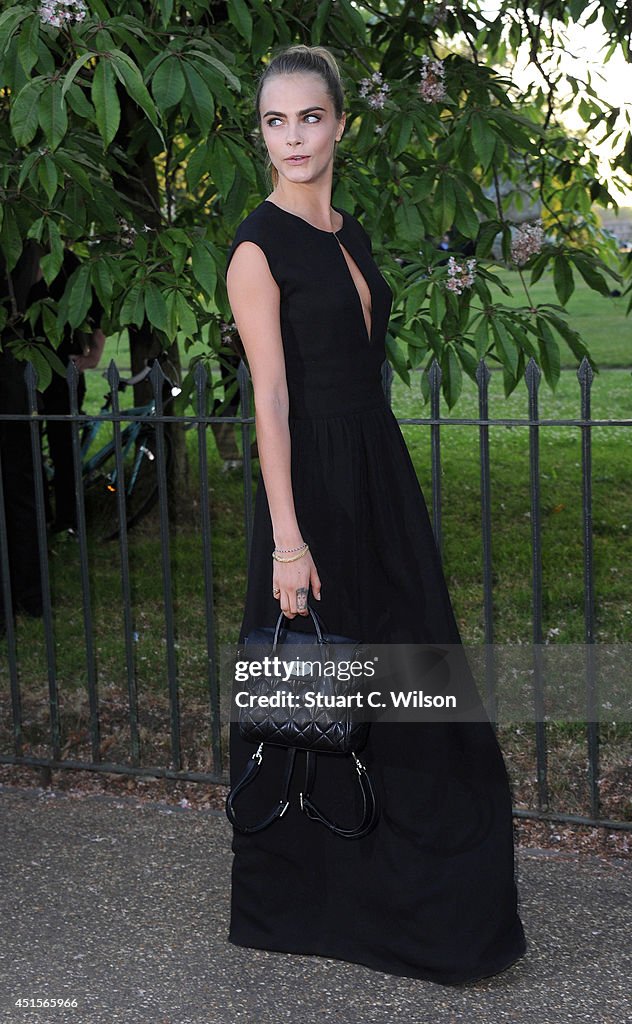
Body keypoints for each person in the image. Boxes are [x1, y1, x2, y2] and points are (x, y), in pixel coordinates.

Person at [225, 44, 526, 985]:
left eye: (309, 117)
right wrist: (286, 541)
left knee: (415, 690)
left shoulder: (349, 235)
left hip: (377, 474)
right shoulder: (255, 247)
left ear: (341, 123)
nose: (294, 137)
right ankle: (307, 903)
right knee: (320, 694)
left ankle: (424, 905)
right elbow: (270, 401)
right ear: (262, 135)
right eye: (276, 122)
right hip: (309, 492)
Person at [27, 250, 106, 533]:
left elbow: (96, 312)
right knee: (26, 448)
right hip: (23, 371)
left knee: (64, 448)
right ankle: (36, 520)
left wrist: (93, 355)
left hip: (64, 371)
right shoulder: (13, 260)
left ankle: (67, 522)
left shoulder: (70, 263)